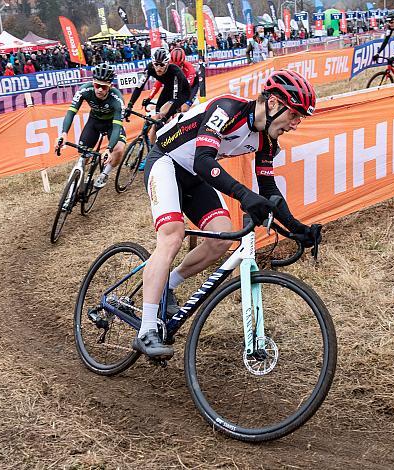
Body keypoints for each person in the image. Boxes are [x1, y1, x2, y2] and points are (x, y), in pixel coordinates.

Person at [134, 70, 321, 358]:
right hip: (167, 162)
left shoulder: (266, 140)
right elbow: (203, 159)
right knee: (172, 236)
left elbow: (269, 187)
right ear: (273, 104)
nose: (295, 124)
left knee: (220, 239)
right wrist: (244, 195)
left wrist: (297, 227)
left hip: (195, 176)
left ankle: (168, 285)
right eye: (294, 115)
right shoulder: (227, 109)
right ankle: (146, 330)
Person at [56, 64, 127, 188]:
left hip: (111, 124)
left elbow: (116, 127)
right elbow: (71, 112)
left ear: (110, 86)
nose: (99, 89)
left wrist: (109, 149)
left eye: (104, 87)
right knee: (84, 155)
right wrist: (63, 133)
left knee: (119, 149)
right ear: (92, 82)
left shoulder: (117, 100)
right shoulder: (85, 90)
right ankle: (76, 183)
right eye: (97, 85)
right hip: (94, 122)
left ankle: (105, 174)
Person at [125, 47, 190, 144]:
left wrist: (164, 118)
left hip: (182, 93)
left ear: (167, 63)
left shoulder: (175, 72)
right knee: (157, 119)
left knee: (163, 115)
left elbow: (175, 98)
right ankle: (152, 149)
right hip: (168, 89)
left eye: (162, 65)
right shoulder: (150, 68)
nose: (158, 68)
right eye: (156, 64)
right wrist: (130, 105)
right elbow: (139, 87)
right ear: (152, 63)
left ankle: (171, 141)